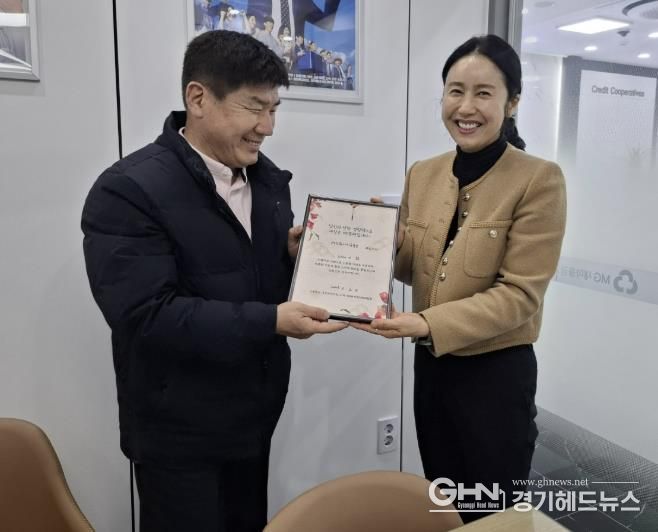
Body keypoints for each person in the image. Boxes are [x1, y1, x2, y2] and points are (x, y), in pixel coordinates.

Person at [81, 30, 347, 532]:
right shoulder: (128, 190)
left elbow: (250, 280)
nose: (267, 127)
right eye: (254, 108)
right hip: (176, 434)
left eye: (274, 109)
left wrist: (297, 260)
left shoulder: (268, 182)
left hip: (253, 419)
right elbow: (146, 315)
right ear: (198, 98)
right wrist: (272, 321)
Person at [353, 34, 567, 523]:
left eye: (483, 93)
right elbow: (416, 264)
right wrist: (379, 245)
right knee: (445, 503)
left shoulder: (539, 179)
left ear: (512, 102)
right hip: (433, 371)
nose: (465, 107)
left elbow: (520, 296)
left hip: (496, 378)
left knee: (493, 514)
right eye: (455, 91)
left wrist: (427, 323)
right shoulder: (423, 173)